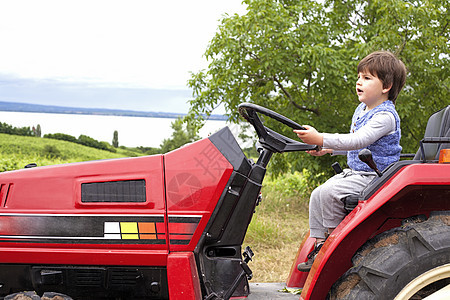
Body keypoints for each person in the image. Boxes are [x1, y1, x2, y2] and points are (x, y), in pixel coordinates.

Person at [294, 51, 407, 272]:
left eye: (367, 78)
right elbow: (356, 147)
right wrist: (327, 149)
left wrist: (321, 137)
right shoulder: (362, 110)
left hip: (376, 176)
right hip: (357, 173)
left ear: (386, 86)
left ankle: (335, 247)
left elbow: (358, 140)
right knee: (319, 193)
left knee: (329, 194)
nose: (358, 82)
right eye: (358, 76)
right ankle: (320, 244)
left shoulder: (385, 116)